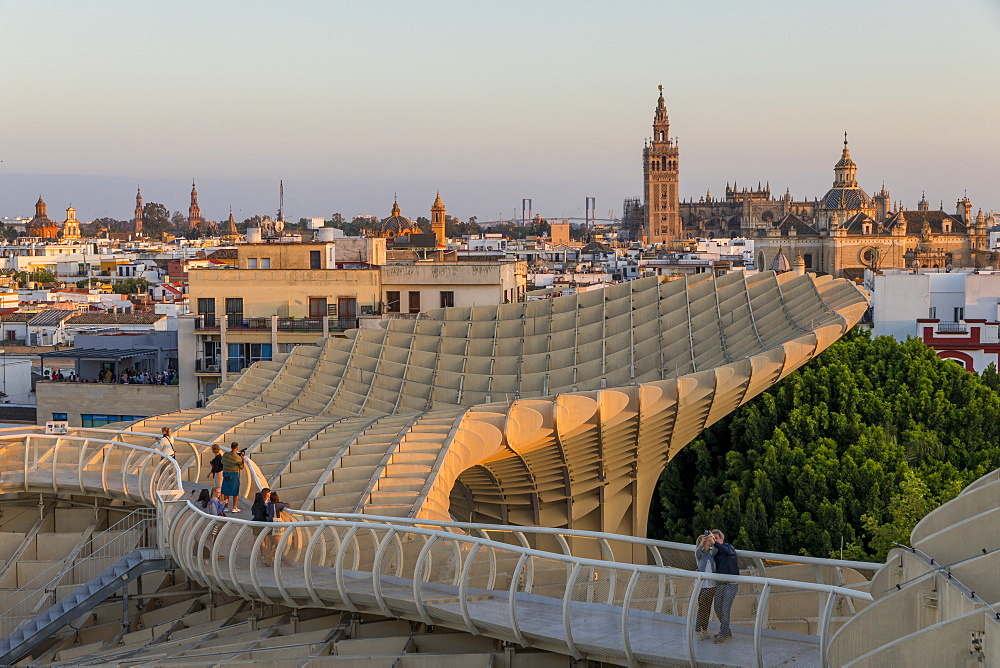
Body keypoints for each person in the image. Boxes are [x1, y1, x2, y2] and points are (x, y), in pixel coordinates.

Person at [711, 529, 740, 643]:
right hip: (720, 583)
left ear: (722, 539)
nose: (714, 541)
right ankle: (726, 630)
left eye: (716, 539)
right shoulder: (714, 551)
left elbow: (728, 552)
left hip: (731, 583)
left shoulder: (729, 547)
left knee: (725, 608)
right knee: (717, 607)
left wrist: (715, 544)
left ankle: (723, 633)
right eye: (713, 539)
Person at [694, 531, 718, 640]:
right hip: (702, 585)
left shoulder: (711, 553)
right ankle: (697, 630)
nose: (708, 541)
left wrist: (713, 538)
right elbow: (697, 553)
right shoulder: (700, 554)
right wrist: (702, 542)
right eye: (706, 540)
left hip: (712, 584)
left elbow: (717, 548)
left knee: (708, 608)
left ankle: (705, 629)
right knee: (702, 608)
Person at [220, 442, 245, 513]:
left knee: (226, 491)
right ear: (237, 448)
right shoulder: (238, 458)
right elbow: (241, 467)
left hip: (226, 474)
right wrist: (242, 458)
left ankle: (226, 507)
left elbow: (222, 462)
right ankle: (234, 507)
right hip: (234, 475)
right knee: (235, 492)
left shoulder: (225, 454)